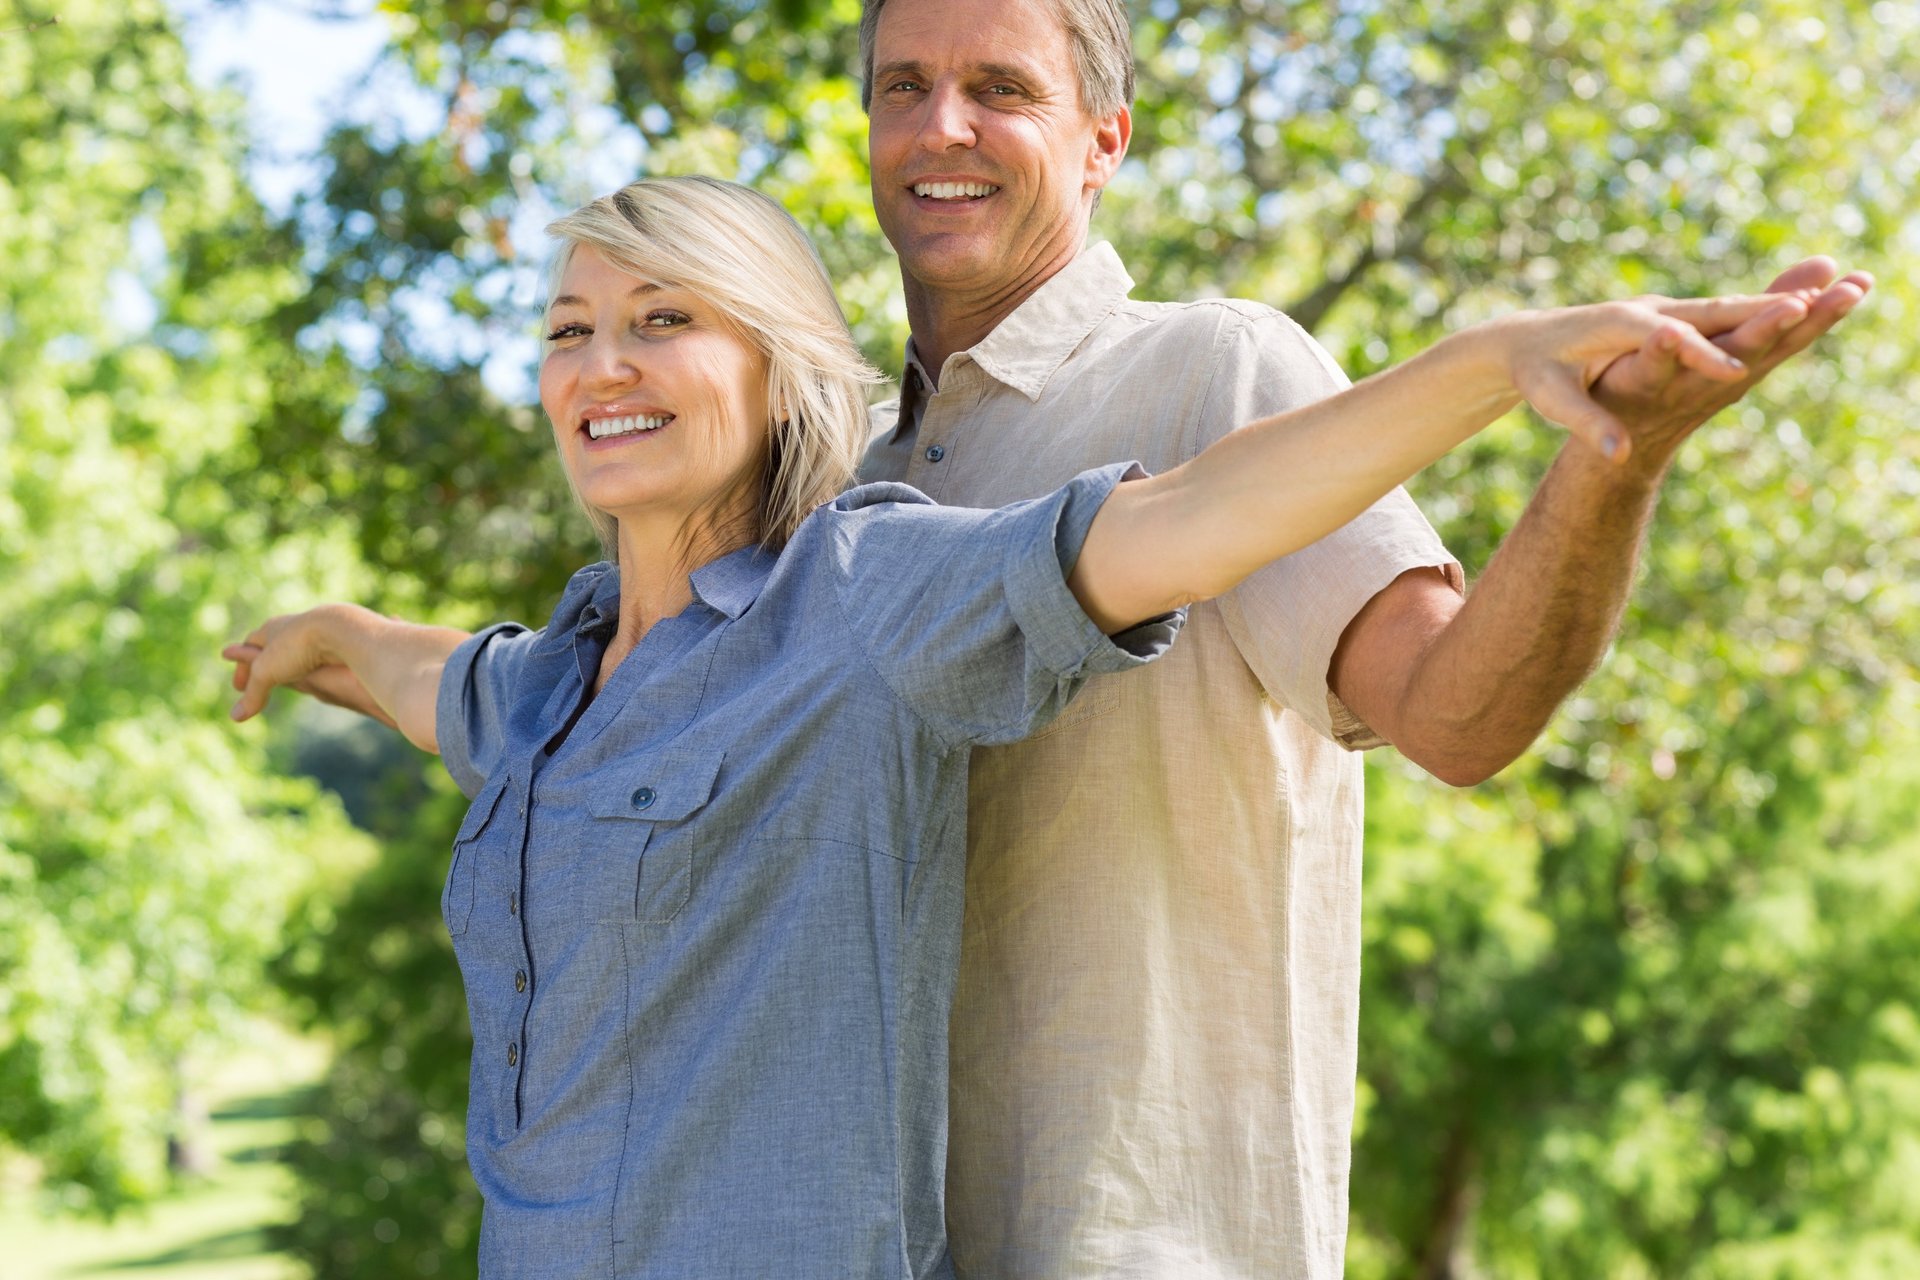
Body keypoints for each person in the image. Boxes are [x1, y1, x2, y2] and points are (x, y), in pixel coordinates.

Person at [225, 175, 1770, 1277]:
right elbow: (417, 676)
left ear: (773, 371)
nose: (604, 364)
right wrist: (312, 642)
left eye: (663, 318)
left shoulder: (859, 598)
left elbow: (1188, 517)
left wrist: (1496, 365)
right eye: (569, 331)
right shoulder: (550, 681)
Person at [849, 0, 1872, 1273]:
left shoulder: (1213, 373)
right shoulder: (838, 473)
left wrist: (1618, 461)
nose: (943, 124)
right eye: (905, 86)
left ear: (1104, 140)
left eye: (1001, 86)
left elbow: (1456, 712)